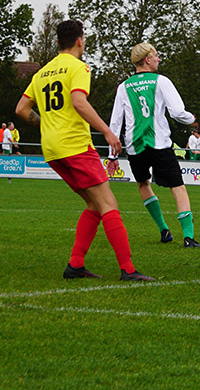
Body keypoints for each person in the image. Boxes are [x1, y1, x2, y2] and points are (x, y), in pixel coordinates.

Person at [15, 19, 152, 282]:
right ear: (80, 40)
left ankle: (75, 265)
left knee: (94, 203)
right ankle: (128, 270)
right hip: (75, 145)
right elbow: (79, 102)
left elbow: (21, 109)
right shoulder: (78, 67)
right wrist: (108, 131)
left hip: (52, 149)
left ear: (57, 42)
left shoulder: (41, 73)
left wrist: (46, 123)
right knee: (108, 203)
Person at [109, 42, 200, 249]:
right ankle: (188, 237)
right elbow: (177, 113)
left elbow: (115, 123)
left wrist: (112, 156)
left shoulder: (123, 87)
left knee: (143, 184)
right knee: (178, 187)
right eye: (156, 55)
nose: (159, 59)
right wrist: (191, 119)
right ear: (148, 59)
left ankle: (163, 229)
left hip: (135, 146)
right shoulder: (161, 81)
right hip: (159, 143)